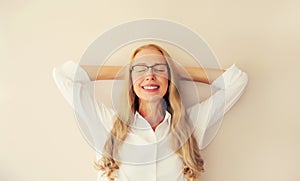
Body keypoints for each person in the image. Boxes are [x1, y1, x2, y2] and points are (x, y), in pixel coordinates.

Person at [53, 44, 248, 181]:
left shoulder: (191, 124)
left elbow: (236, 81)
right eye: (141, 69)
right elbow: (64, 75)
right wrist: (125, 72)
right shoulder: (107, 122)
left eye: (158, 68)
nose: (150, 76)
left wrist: (178, 72)